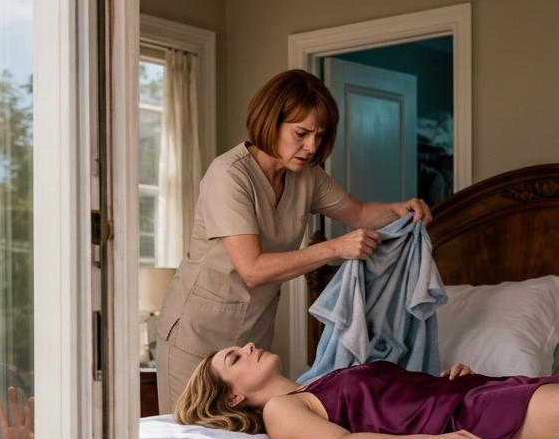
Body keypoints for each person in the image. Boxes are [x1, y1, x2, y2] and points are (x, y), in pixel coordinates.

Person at [155, 69, 433, 413]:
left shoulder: (307, 177)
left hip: (251, 338)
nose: (312, 147)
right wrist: (335, 247)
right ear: (270, 122)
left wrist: (399, 208)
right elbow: (252, 269)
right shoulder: (228, 175)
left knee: (250, 438)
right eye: (301, 133)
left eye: (320, 135)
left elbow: (358, 213)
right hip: (196, 335)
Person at [174, 342, 559, 439]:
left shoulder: (316, 383)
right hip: (468, 414)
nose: (249, 345)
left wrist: (449, 378)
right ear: (235, 397)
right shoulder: (281, 408)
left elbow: (396, 396)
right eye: (236, 357)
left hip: (475, 390)